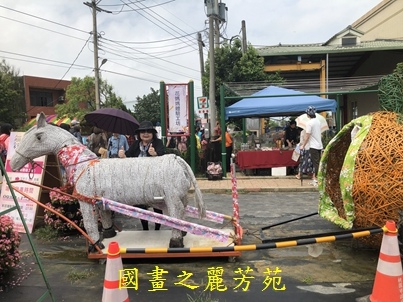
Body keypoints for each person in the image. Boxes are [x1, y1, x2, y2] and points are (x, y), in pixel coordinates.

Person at [118, 120, 165, 230]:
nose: (145, 133)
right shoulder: (135, 144)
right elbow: (128, 158)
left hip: (153, 180)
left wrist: (155, 154)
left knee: (156, 204)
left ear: (153, 133)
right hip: (138, 181)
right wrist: (122, 155)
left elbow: (163, 156)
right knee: (141, 206)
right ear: (139, 134)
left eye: (148, 131)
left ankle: (157, 227)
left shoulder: (158, 143)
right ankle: (145, 228)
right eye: (143, 131)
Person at [300, 106, 323, 185]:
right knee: (317, 162)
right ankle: (317, 177)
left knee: (315, 163)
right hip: (319, 145)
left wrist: (303, 145)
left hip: (313, 145)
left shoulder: (309, 123)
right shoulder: (318, 122)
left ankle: (316, 178)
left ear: (308, 114)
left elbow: (307, 135)